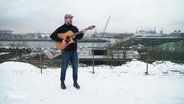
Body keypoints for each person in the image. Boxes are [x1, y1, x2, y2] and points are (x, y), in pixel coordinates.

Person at [50, 14, 87, 89]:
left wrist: (82, 33)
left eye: (71, 18)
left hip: (74, 51)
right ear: (65, 19)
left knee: (75, 67)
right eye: (69, 18)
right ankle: (62, 82)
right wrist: (61, 40)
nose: (71, 20)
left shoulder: (74, 28)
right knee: (64, 67)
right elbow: (52, 36)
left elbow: (78, 38)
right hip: (65, 51)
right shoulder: (61, 28)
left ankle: (75, 82)